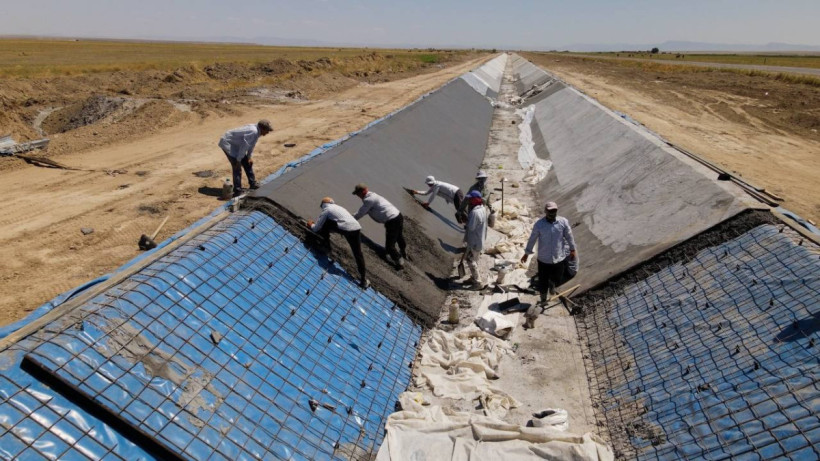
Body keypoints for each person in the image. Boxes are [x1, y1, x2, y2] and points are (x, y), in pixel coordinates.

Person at [521, 201, 578, 303]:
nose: (552, 213)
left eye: (554, 211)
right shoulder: (539, 225)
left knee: (557, 278)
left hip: (559, 258)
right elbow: (532, 239)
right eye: (550, 211)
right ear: (545, 211)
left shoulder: (563, 222)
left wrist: (572, 249)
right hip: (544, 259)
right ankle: (543, 299)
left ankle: (552, 283)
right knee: (543, 281)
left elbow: (569, 236)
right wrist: (526, 253)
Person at [308, 197, 369, 289]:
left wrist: (311, 225)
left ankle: (326, 247)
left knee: (324, 224)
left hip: (345, 228)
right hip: (356, 228)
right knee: (358, 253)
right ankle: (363, 280)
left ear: (323, 205)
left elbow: (316, 228)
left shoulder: (326, 210)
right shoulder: (339, 208)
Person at [352, 183, 407, 269]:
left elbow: (360, 213)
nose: (358, 196)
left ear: (363, 191)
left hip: (392, 220)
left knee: (389, 246)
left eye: (358, 194)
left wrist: (350, 220)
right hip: (398, 216)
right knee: (399, 236)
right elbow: (364, 211)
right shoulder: (372, 195)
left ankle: (399, 262)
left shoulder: (369, 200)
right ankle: (403, 251)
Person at [218, 119, 273, 197]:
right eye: (267, 131)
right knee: (237, 167)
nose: (267, 133)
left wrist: (249, 157)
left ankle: (253, 184)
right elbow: (244, 147)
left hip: (237, 145)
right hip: (228, 143)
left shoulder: (256, 131)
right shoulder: (253, 132)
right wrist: (238, 160)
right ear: (262, 128)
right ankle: (237, 191)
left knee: (248, 163)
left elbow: (252, 145)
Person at [463, 190, 488, 289]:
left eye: (471, 199)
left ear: (475, 200)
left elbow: (471, 227)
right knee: (475, 259)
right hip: (479, 239)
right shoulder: (483, 209)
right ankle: (473, 278)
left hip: (474, 241)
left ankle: (478, 282)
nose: (469, 201)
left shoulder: (474, 212)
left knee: (470, 260)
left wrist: (465, 222)